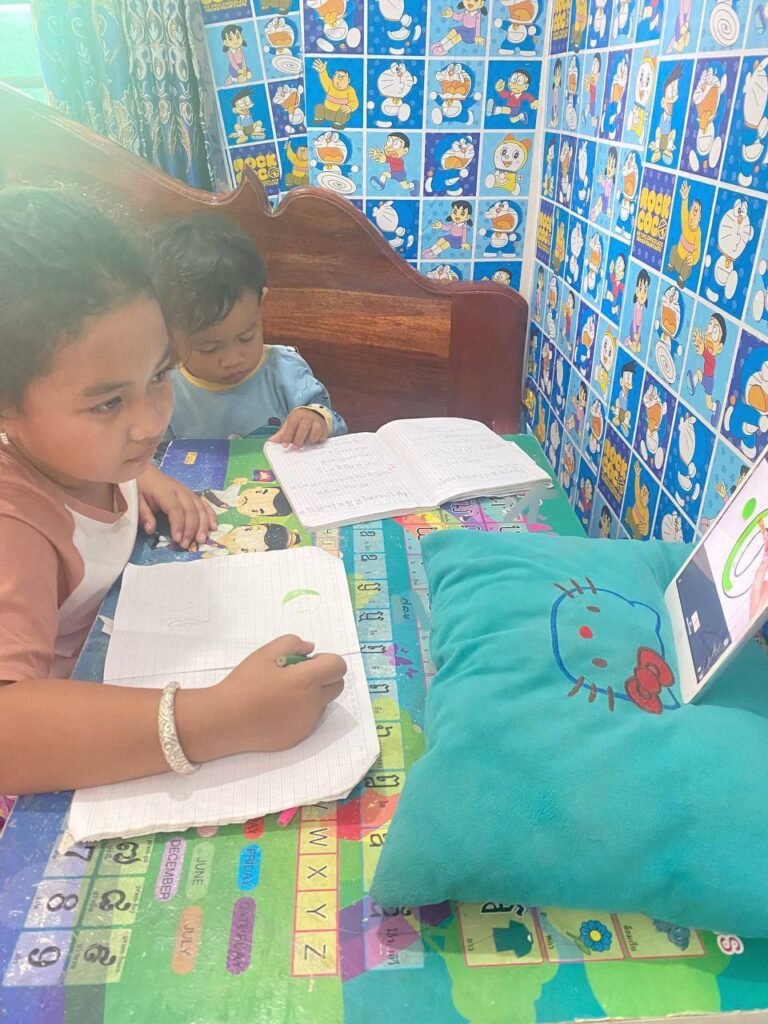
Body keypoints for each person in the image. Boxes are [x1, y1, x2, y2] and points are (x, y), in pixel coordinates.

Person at [0, 189, 346, 796]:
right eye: (109, 402)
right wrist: (219, 719)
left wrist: (140, 474)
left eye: (160, 375)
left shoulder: (91, 455)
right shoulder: (16, 526)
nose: (152, 423)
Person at [150, 214, 347, 447]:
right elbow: (156, 459)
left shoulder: (284, 370)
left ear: (260, 305)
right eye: (209, 348)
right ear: (169, 333)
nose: (233, 360)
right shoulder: (165, 389)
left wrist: (314, 419)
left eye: (246, 338)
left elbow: (335, 425)